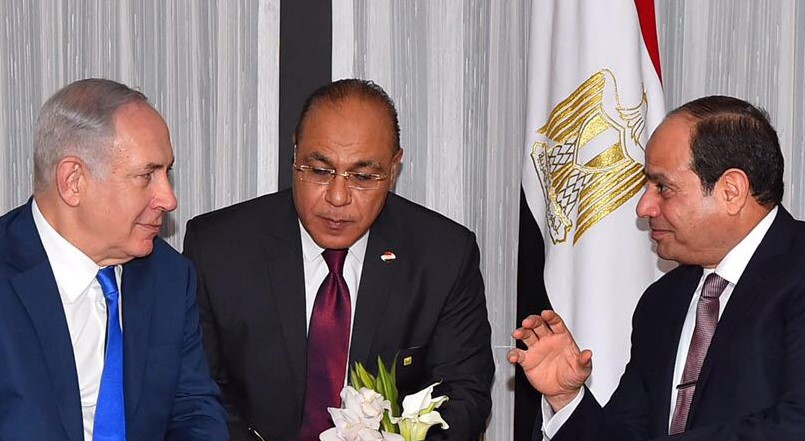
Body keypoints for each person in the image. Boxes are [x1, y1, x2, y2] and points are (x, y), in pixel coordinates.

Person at [183, 78, 494, 441]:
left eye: (362, 176)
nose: (337, 197)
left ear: (394, 168)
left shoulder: (443, 255)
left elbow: (463, 396)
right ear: (295, 153)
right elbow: (199, 394)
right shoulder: (218, 248)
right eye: (319, 171)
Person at [509, 95, 805, 440]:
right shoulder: (663, 300)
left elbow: (794, 426)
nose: (644, 207)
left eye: (663, 187)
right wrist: (566, 398)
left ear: (731, 191)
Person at [0, 79, 228, 440]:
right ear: (73, 181)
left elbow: (193, 410)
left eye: (166, 173)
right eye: (146, 176)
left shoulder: (169, 277)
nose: (169, 199)